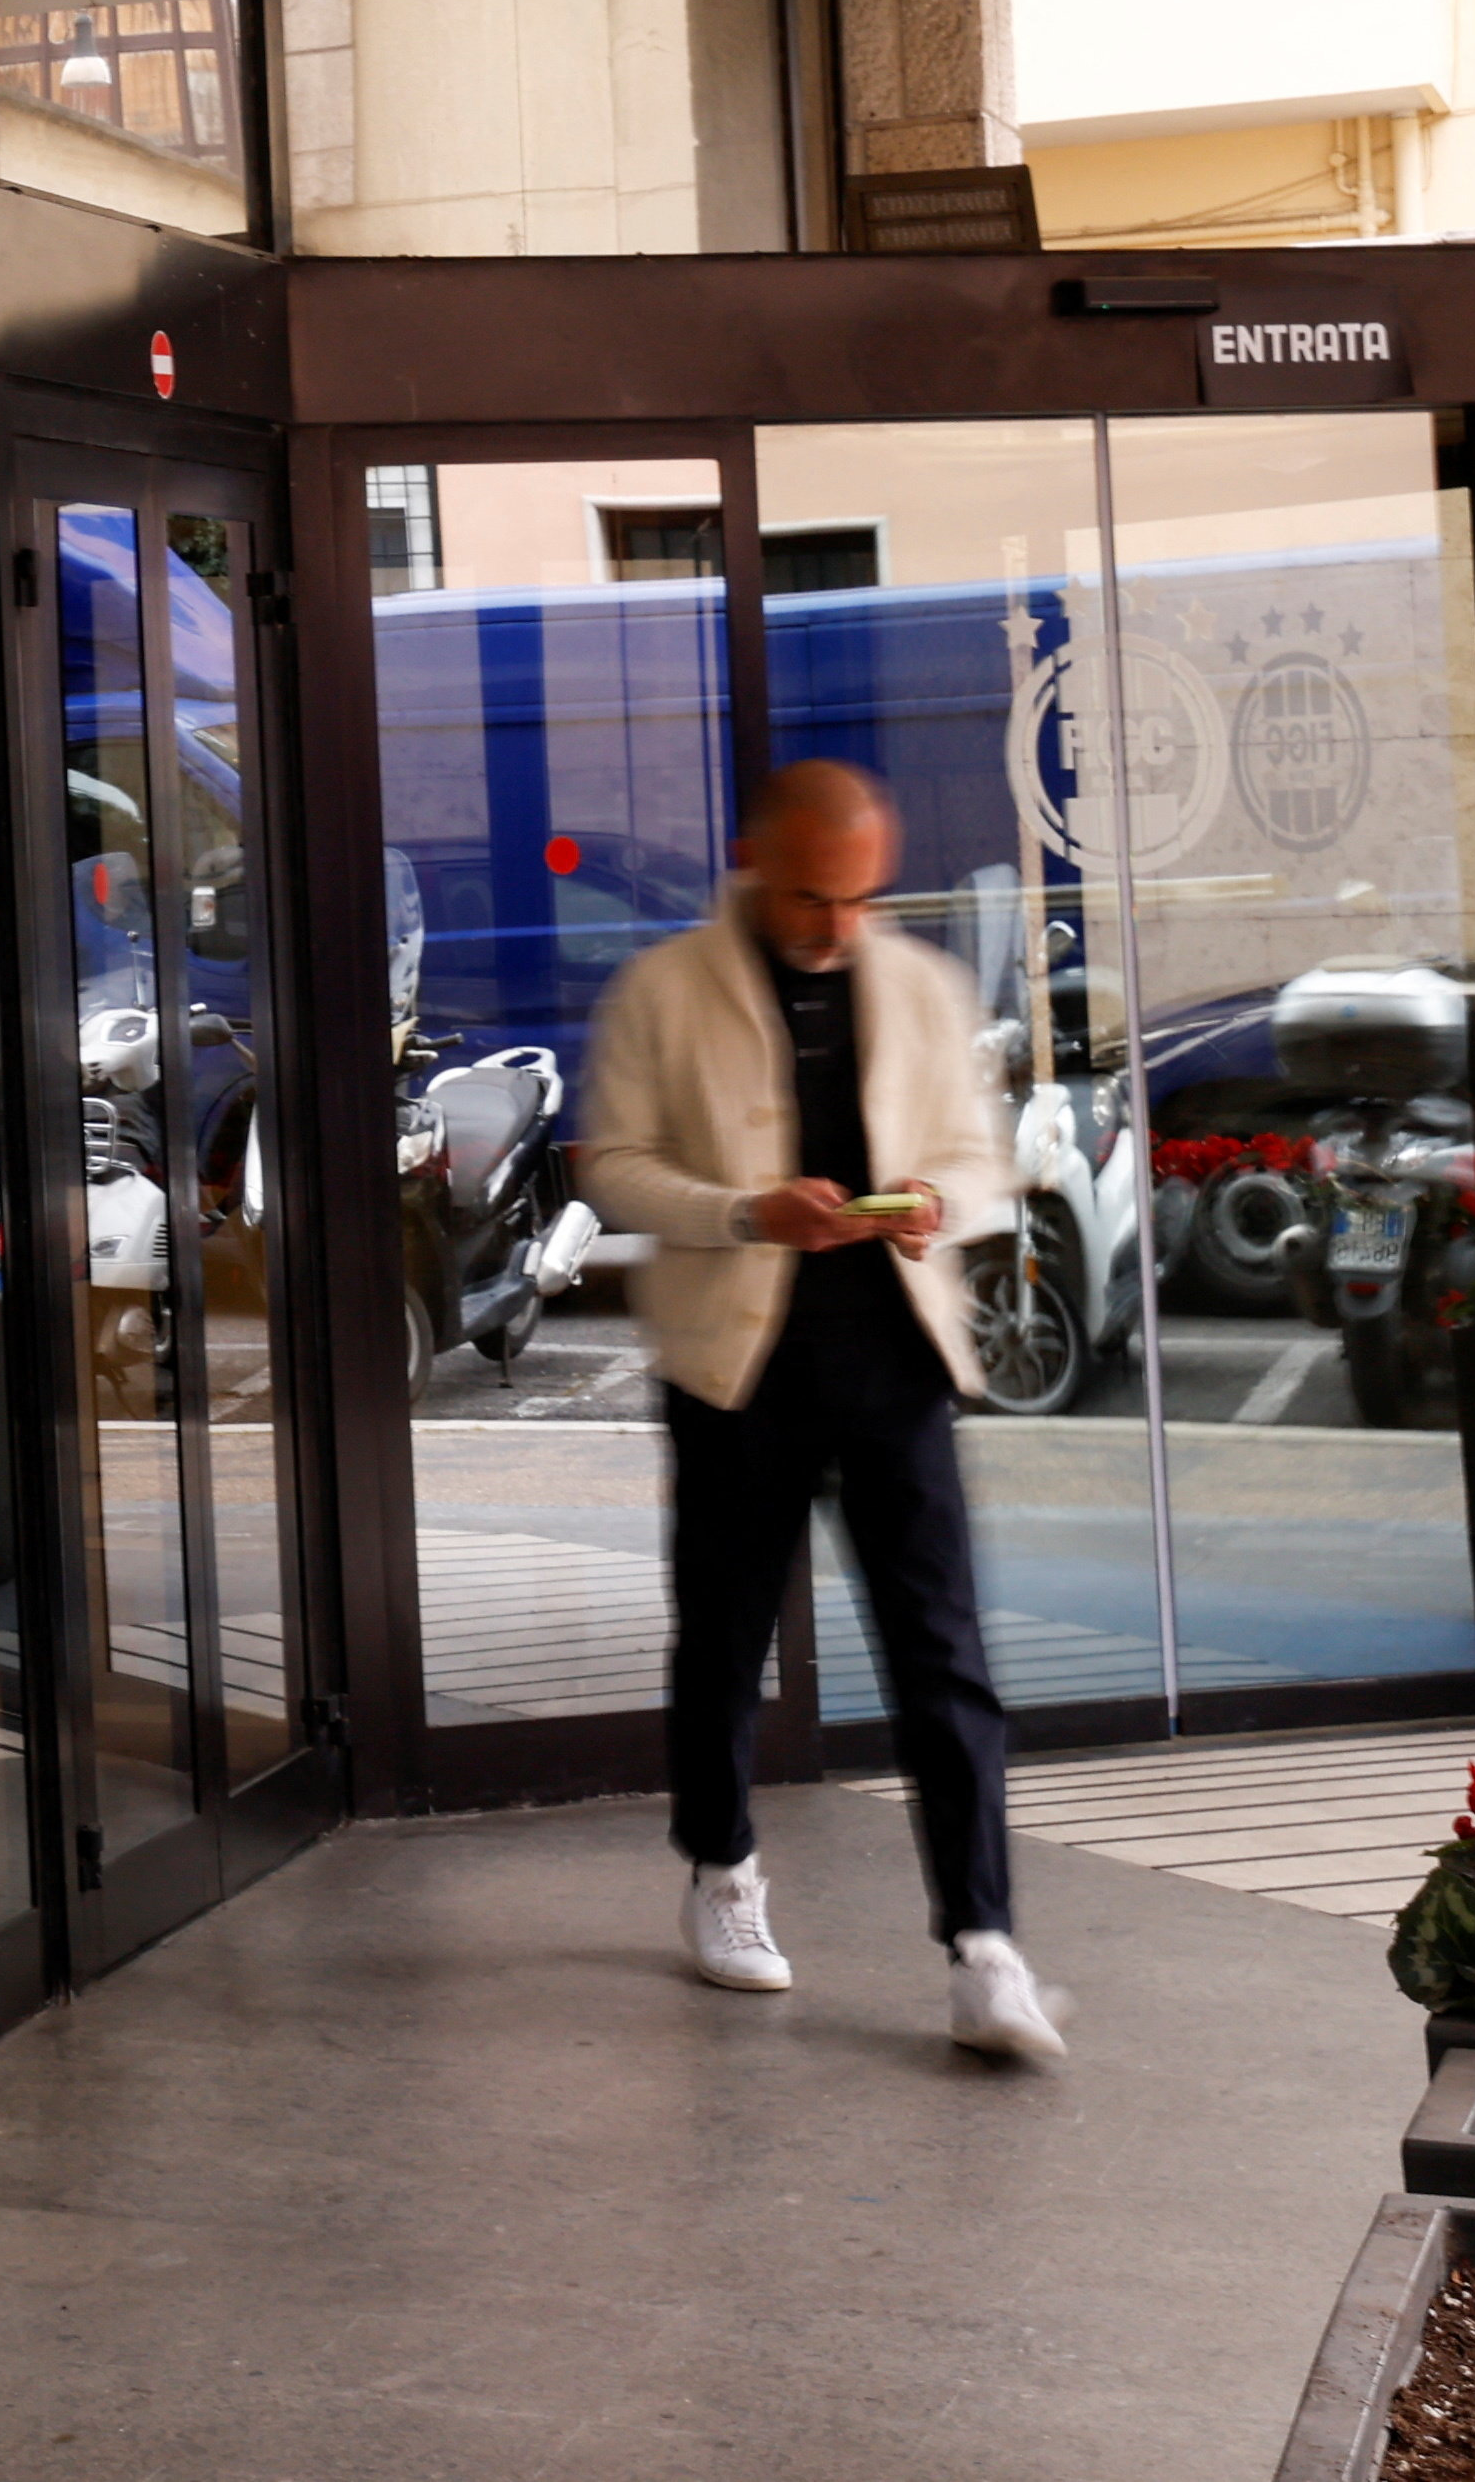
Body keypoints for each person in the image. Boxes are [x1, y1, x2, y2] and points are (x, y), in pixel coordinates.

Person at [573, 757, 1066, 2060]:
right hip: (738, 1364)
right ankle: (721, 1874)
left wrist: (934, 1204)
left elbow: (981, 1158)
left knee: (941, 1654)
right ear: (752, 857)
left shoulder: (920, 983)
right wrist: (747, 1211)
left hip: (897, 1358)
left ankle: (983, 1948)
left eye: (859, 899)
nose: (838, 926)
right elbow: (612, 1166)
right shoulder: (664, 988)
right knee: (725, 1638)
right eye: (811, 898)